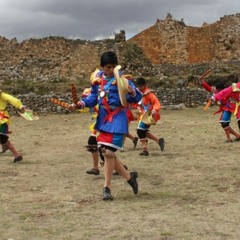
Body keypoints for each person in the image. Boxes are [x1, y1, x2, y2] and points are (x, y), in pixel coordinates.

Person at [70, 51, 142, 200]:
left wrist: (132, 92)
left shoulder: (123, 80)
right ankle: (129, 177)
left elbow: (138, 97)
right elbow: (92, 98)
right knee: (106, 152)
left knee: (108, 152)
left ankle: (106, 188)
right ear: (102, 67)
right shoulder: (98, 81)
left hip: (117, 118)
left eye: (113, 67)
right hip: (103, 119)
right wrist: (81, 104)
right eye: (108, 67)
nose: (111, 70)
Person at [201, 78, 240, 142]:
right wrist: (202, 83)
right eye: (217, 90)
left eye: (218, 90)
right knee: (224, 123)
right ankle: (232, 137)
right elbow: (209, 89)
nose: (217, 91)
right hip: (225, 108)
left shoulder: (228, 91)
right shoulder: (217, 92)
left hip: (229, 108)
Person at [135, 77, 165, 156]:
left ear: (144, 85)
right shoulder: (140, 93)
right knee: (143, 131)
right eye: (138, 86)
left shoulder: (149, 93)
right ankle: (159, 141)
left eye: (140, 86)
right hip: (145, 114)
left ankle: (145, 150)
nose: (139, 88)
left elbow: (156, 102)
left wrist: (155, 110)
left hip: (150, 115)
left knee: (140, 130)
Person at [0, 90, 26, 162]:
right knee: (2, 137)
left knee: (2, 137)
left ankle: (17, 155)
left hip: (2, 118)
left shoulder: (2, 95)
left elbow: (12, 99)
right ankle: (4, 146)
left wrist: (20, 106)